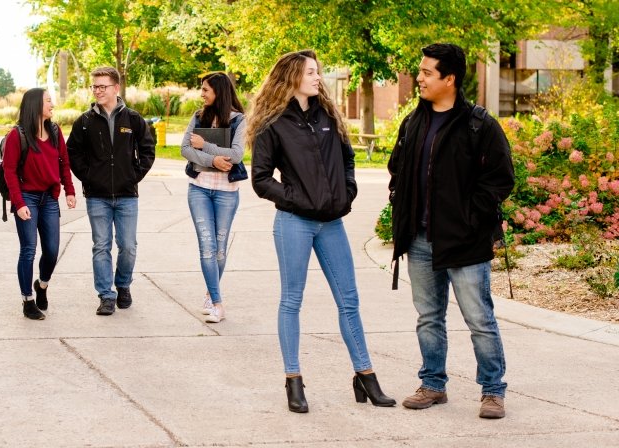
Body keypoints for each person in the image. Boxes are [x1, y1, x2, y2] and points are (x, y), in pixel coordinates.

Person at [249, 50, 395, 413]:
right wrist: (296, 197)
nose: (318, 77)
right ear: (292, 76)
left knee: (349, 301)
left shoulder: (328, 115)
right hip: (294, 222)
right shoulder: (273, 123)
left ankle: (365, 375)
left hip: (332, 223)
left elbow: (347, 158)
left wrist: (348, 190)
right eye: (311, 72)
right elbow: (261, 180)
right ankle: (293, 380)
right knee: (291, 301)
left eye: (318, 72)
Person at [387, 43, 515, 419]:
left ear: (450, 79)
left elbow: (500, 179)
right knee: (428, 316)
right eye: (420, 71)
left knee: (479, 319)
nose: (420, 78)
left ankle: (492, 390)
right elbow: (398, 169)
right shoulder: (413, 122)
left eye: (427, 73)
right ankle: (433, 384)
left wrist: (468, 218)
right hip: (421, 240)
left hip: (466, 242)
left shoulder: (480, 124)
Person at [67, 66, 156, 316]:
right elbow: (72, 153)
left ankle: (123, 285)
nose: (97, 91)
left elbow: (148, 150)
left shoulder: (133, 119)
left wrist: (134, 175)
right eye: (94, 86)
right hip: (97, 196)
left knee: (128, 246)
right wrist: (88, 177)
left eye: (102, 86)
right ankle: (106, 295)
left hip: (127, 195)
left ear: (116, 88)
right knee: (101, 245)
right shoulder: (84, 122)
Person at [2, 88, 77, 320]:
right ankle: (27, 300)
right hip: (27, 199)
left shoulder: (55, 131)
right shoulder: (17, 135)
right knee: (28, 250)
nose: (52, 104)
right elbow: (9, 171)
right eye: (48, 101)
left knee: (52, 251)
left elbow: (64, 163)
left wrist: (69, 190)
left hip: (49, 199)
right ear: (35, 105)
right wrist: (19, 202)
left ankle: (42, 285)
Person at [180, 72, 246, 324]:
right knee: (207, 247)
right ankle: (217, 303)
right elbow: (185, 149)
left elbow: (237, 155)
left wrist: (205, 146)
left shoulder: (239, 120)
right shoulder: (198, 117)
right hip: (199, 189)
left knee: (219, 249)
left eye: (206, 89)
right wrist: (214, 160)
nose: (202, 94)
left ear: (219, 91)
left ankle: (210, 291)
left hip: (226, 194)